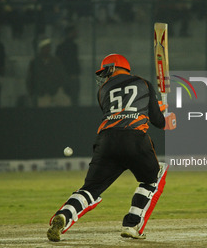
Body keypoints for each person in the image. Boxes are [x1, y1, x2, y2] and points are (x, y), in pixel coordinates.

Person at [47, 54, 173, 242]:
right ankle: (132, 225)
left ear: (113, 68)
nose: (104, 77)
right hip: (135, 140)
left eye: (105, 71)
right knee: (154, 177)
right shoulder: (144, 83)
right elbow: (159, 122)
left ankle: (64, 215)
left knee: (89, 189)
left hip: (106, 142)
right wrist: (166, 117)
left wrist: (155, 109)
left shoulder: (103, 91)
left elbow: (120, 110)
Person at [27, 38, 70, 107]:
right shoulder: (34, 62)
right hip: (42, 93)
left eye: (48, 47)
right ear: (41, 49)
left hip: (55, 90)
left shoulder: (56, 61)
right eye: (45, 48)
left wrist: (59, 86)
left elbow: (62, 75)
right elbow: (30, 78)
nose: (47, 49)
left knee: (66, 103)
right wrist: (31, 92)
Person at [56, 25, 81, 106]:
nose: (76, 33)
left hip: (68, 76)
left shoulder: (62, 46)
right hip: (69, 76)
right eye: (74, 32)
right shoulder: (70, 46)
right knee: (72, 100)